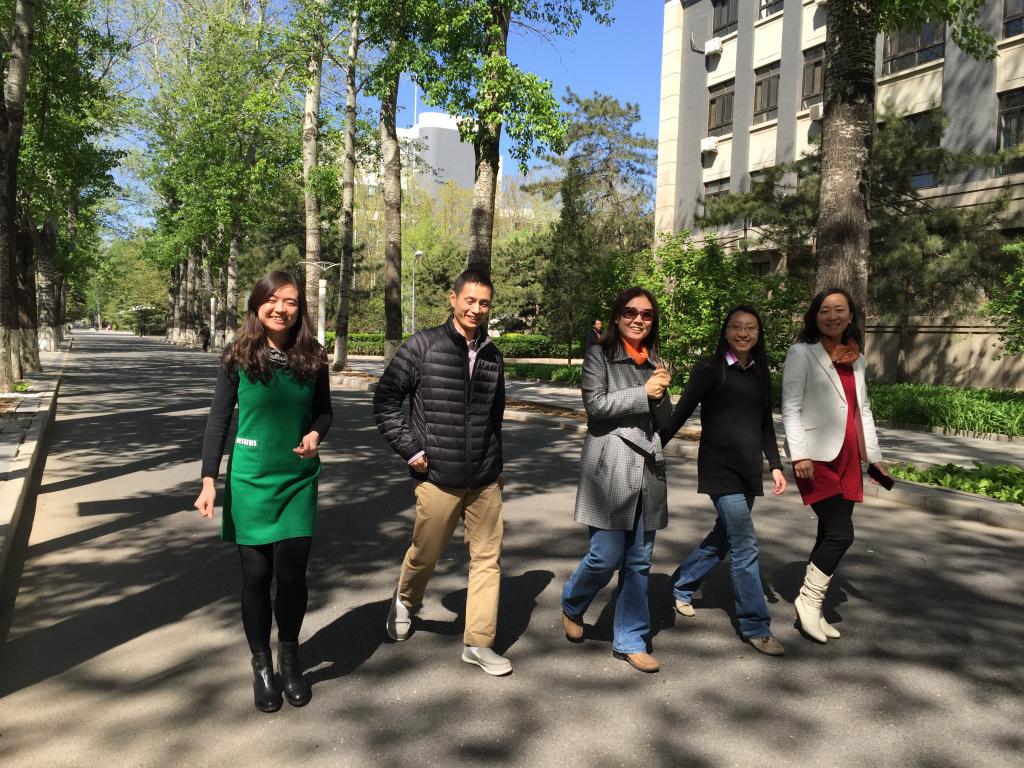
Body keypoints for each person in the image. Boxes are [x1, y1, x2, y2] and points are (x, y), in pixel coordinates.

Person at [194, 270, 332, 712]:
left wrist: (315, 434)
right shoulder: (238, 354)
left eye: (290, 302)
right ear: (257, 305)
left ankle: (289, 659)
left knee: (291, 578)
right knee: (256, 577)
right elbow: (219, 419)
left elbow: (324, 413)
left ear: (299, 309)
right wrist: (208, 480)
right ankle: (262, 666)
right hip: (250, 479)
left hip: (297, 479)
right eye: (273, 300)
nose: (281, 309)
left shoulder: (313, 356)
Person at [372, 269, 509, 676]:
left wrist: (497, 467)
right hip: (437, 476)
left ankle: (479, 643)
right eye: (470, 301)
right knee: (426, 552)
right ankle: (405, 600)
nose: (476, 309)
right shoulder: (422, 346)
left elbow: (495, 418)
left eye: (484, 303)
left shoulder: (492, 355)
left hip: (484, 479)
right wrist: (411, 449)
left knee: (487, 560)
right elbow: (385, 402)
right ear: (453, 298)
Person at [660, 305, 787, 657]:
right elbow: (681, 411)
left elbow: (765, 423)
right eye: (736, 327)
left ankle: (681, 584)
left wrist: (775, 465)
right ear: (726, 331)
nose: (743, 333)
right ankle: (756, 626)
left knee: (724, 537)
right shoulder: (710, 369)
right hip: (720, 470)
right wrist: (653, 447)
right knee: (745, 544)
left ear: (758, 334)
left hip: (748, 470)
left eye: (750, 328)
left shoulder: (760, 372)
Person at [561, 287, 673, 673]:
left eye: (646, 314)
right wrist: (644, 392)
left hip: (647, 470)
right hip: (609, 468)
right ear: (617, 316)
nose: (638, 319)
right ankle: (573, 603)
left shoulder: (655, 360)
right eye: (630, 312)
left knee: (639, 562)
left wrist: (660, 397)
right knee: (605, 556)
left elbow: (664, 421)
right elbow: (595, 406)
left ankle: (631, 639)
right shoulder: (600, 355)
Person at [781, 287, 890, 643]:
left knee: (829, 533)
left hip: (848, 457)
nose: (832, 316)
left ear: (851, 315)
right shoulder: (801, 352)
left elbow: (862, 410)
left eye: (839, 309)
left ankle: (812, 607)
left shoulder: (856, 357)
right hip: (815, 458)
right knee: (842, 534)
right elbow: (790, 406)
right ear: (815, 316)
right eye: (824, 310)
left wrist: (875, 458)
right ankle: (808, 603)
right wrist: (799, 454)